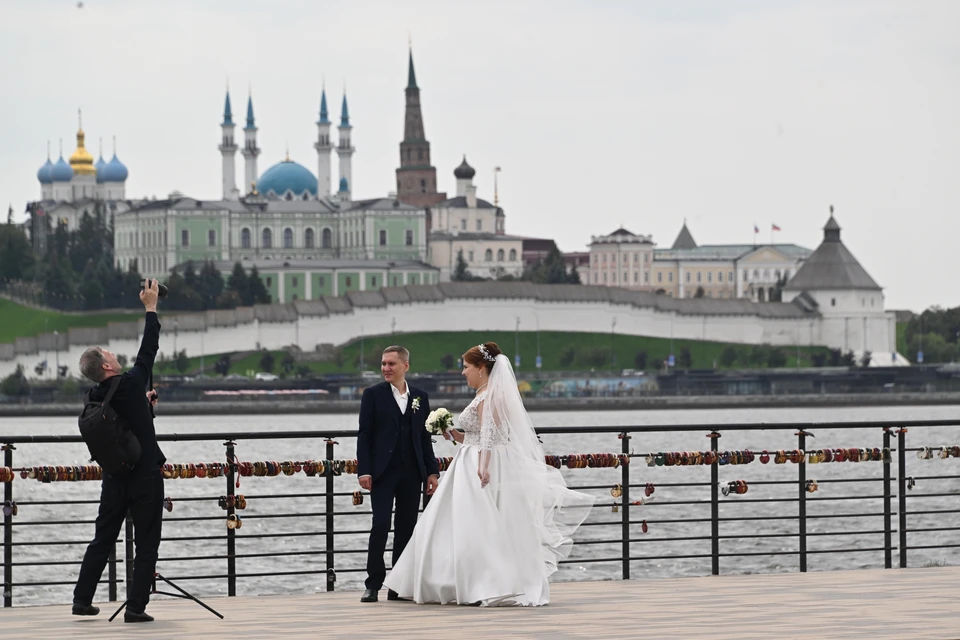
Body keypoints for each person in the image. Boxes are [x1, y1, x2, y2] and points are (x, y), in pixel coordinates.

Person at [383, 342, 595, 606]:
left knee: (474, 523)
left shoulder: (489, 398)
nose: (463, 373)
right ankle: (456, 581)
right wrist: (453, 433)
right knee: (459, 522)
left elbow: (488, 437)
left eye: (466, 367)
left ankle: (479, 583)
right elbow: (475, 436)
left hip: (476, 463)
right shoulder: (483, 394)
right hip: (468, 458)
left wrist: (482, 467)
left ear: (481, 368)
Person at [72, 279, 166, 623]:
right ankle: (136, 607)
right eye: (108, 353)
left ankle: (82, 599)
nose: (113, 354)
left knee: (103, 538)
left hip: (114, 477)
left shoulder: (94, 396)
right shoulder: (129, 383)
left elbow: (123, 419)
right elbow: (148, 350)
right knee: (147, 543)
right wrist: (151, 307)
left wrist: (143, 404)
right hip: (144, 476)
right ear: (107, 366)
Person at [357, 346, 440, 603]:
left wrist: (432, 472)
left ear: (406, 366)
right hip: (382, 473)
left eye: (391, 364)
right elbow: (365, 435)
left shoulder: (420, 397)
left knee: (406, 529)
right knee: (380, 525)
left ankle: (398, 585)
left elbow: (425, 438)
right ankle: (373, 584)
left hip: (412, 473)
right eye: (383, 364)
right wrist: (364, 470)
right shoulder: (372, 395)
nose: (386, 368)